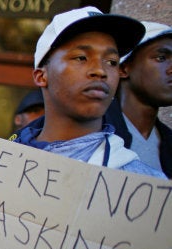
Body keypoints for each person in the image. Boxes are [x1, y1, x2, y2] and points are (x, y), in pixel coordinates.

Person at [9, 7, 167, 179]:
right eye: (81, 58)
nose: (100, 70)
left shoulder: (144, 188)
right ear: (41, 76)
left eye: (112, 62)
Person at [100, 21, 172, 249]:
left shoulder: (168, 143)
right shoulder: (93, 136)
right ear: (124, 68)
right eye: (161, 57)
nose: (171, 68)